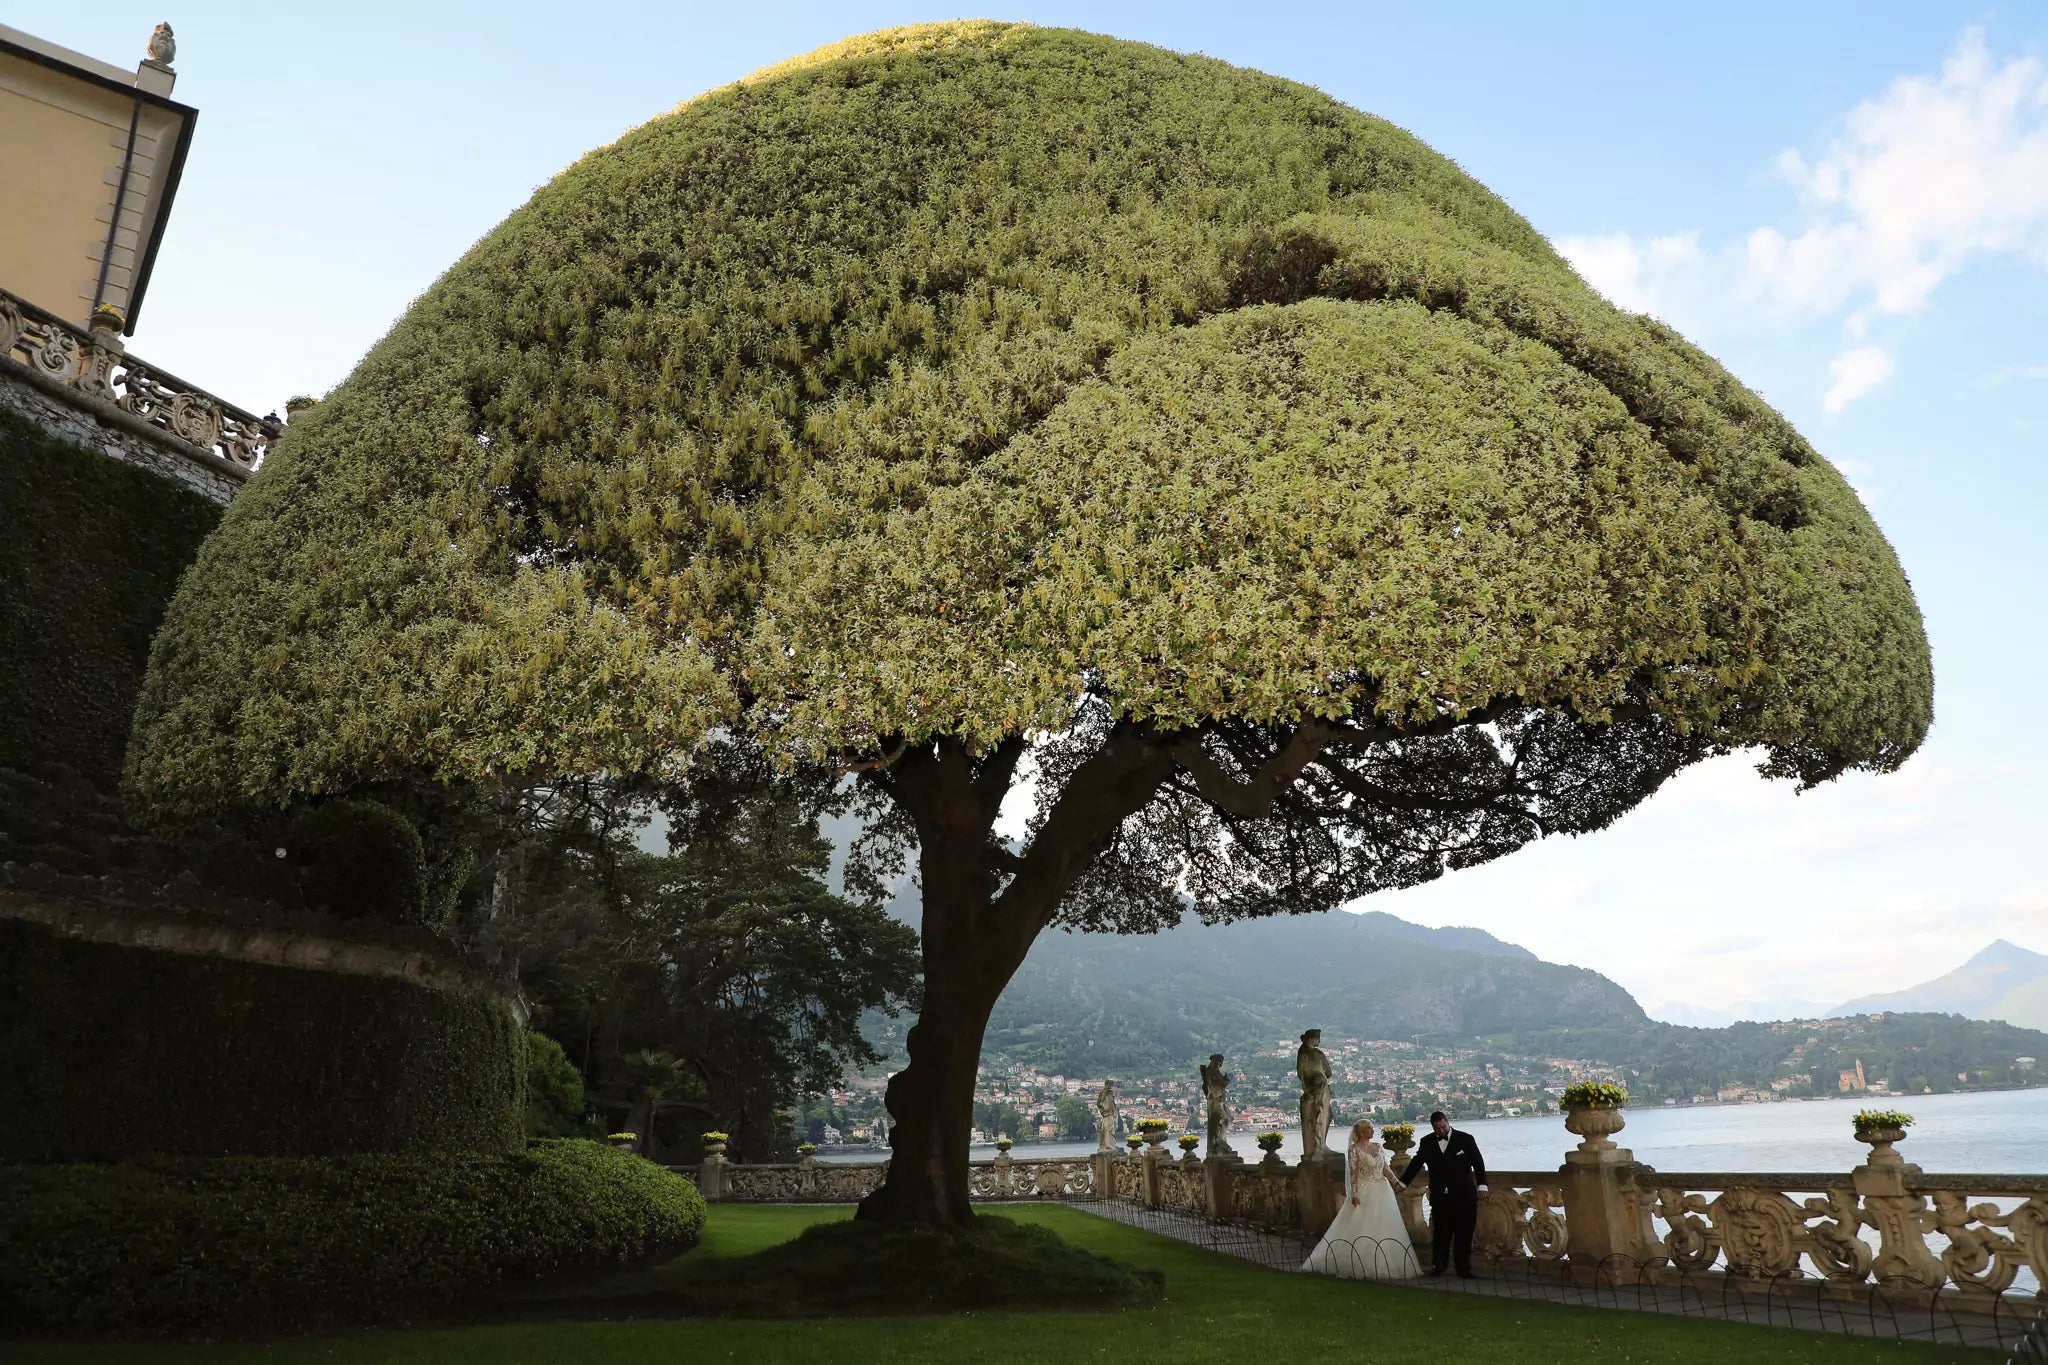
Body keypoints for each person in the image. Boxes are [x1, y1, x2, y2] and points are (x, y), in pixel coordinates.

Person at [1302, 1120, 1421, 1280]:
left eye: (1372, 1127)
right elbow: (1354, 1174)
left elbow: (1385, 1168)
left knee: (1385, 1223)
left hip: (1382, 1189)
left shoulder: (1378, 1147)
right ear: (1362, 1132)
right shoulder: (1354, 1150)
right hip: (1366, 1190)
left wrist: (1396, 1183)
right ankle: (1360, 1262)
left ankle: (1388, 1261)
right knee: (1365, 1224)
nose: (1373, 1130)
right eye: (1369, 1128)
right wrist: (1355, 1194)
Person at [1398, 1110, 1488, 1278]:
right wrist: (1403, 1182)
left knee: (1464, 1234)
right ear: (1432, 1127)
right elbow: (1416, 1163)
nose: (1441, 1131)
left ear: (1448, 1122)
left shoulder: (1465, 1139)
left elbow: (1478, 1162)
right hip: (1440, 1197)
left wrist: (1482, 1185)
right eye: (1437, 1129)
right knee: (1441, 1234)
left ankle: (1464, 1269)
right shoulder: (1427, 1142)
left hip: (1464, 1196)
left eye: (1443, 1127)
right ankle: (1439, 1266)